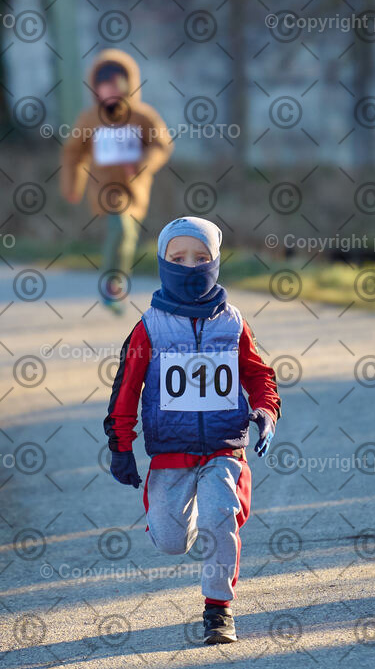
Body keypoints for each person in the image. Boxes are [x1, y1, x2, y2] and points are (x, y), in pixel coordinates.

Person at [103, 216, 281, 644]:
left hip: (224, 448)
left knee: (221, 520)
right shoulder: (150, 326)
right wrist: (121, 446)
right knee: (169, 541)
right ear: (163, 262)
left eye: (201, 257)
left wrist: (265, 412)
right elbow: (125, 389)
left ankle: (218, 610)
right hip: (170, 452)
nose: (190, 265)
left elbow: (260, 376)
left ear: (216, 262)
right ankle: (191, 510)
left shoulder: (233, 322)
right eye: (178, 257)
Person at [61, 49, 172, 315]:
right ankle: (112, 284)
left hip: (135, 188)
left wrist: (143, 164)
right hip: (103, 190)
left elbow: (161, 144)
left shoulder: (142, 116)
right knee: (119, 227)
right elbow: (73, 152)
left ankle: (118, 281)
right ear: (96, 88)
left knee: (128, 234)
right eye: (103, 85)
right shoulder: (89, 119)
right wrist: (72, 184)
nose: (109, 90)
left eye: (116, 84)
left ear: (128, 85)